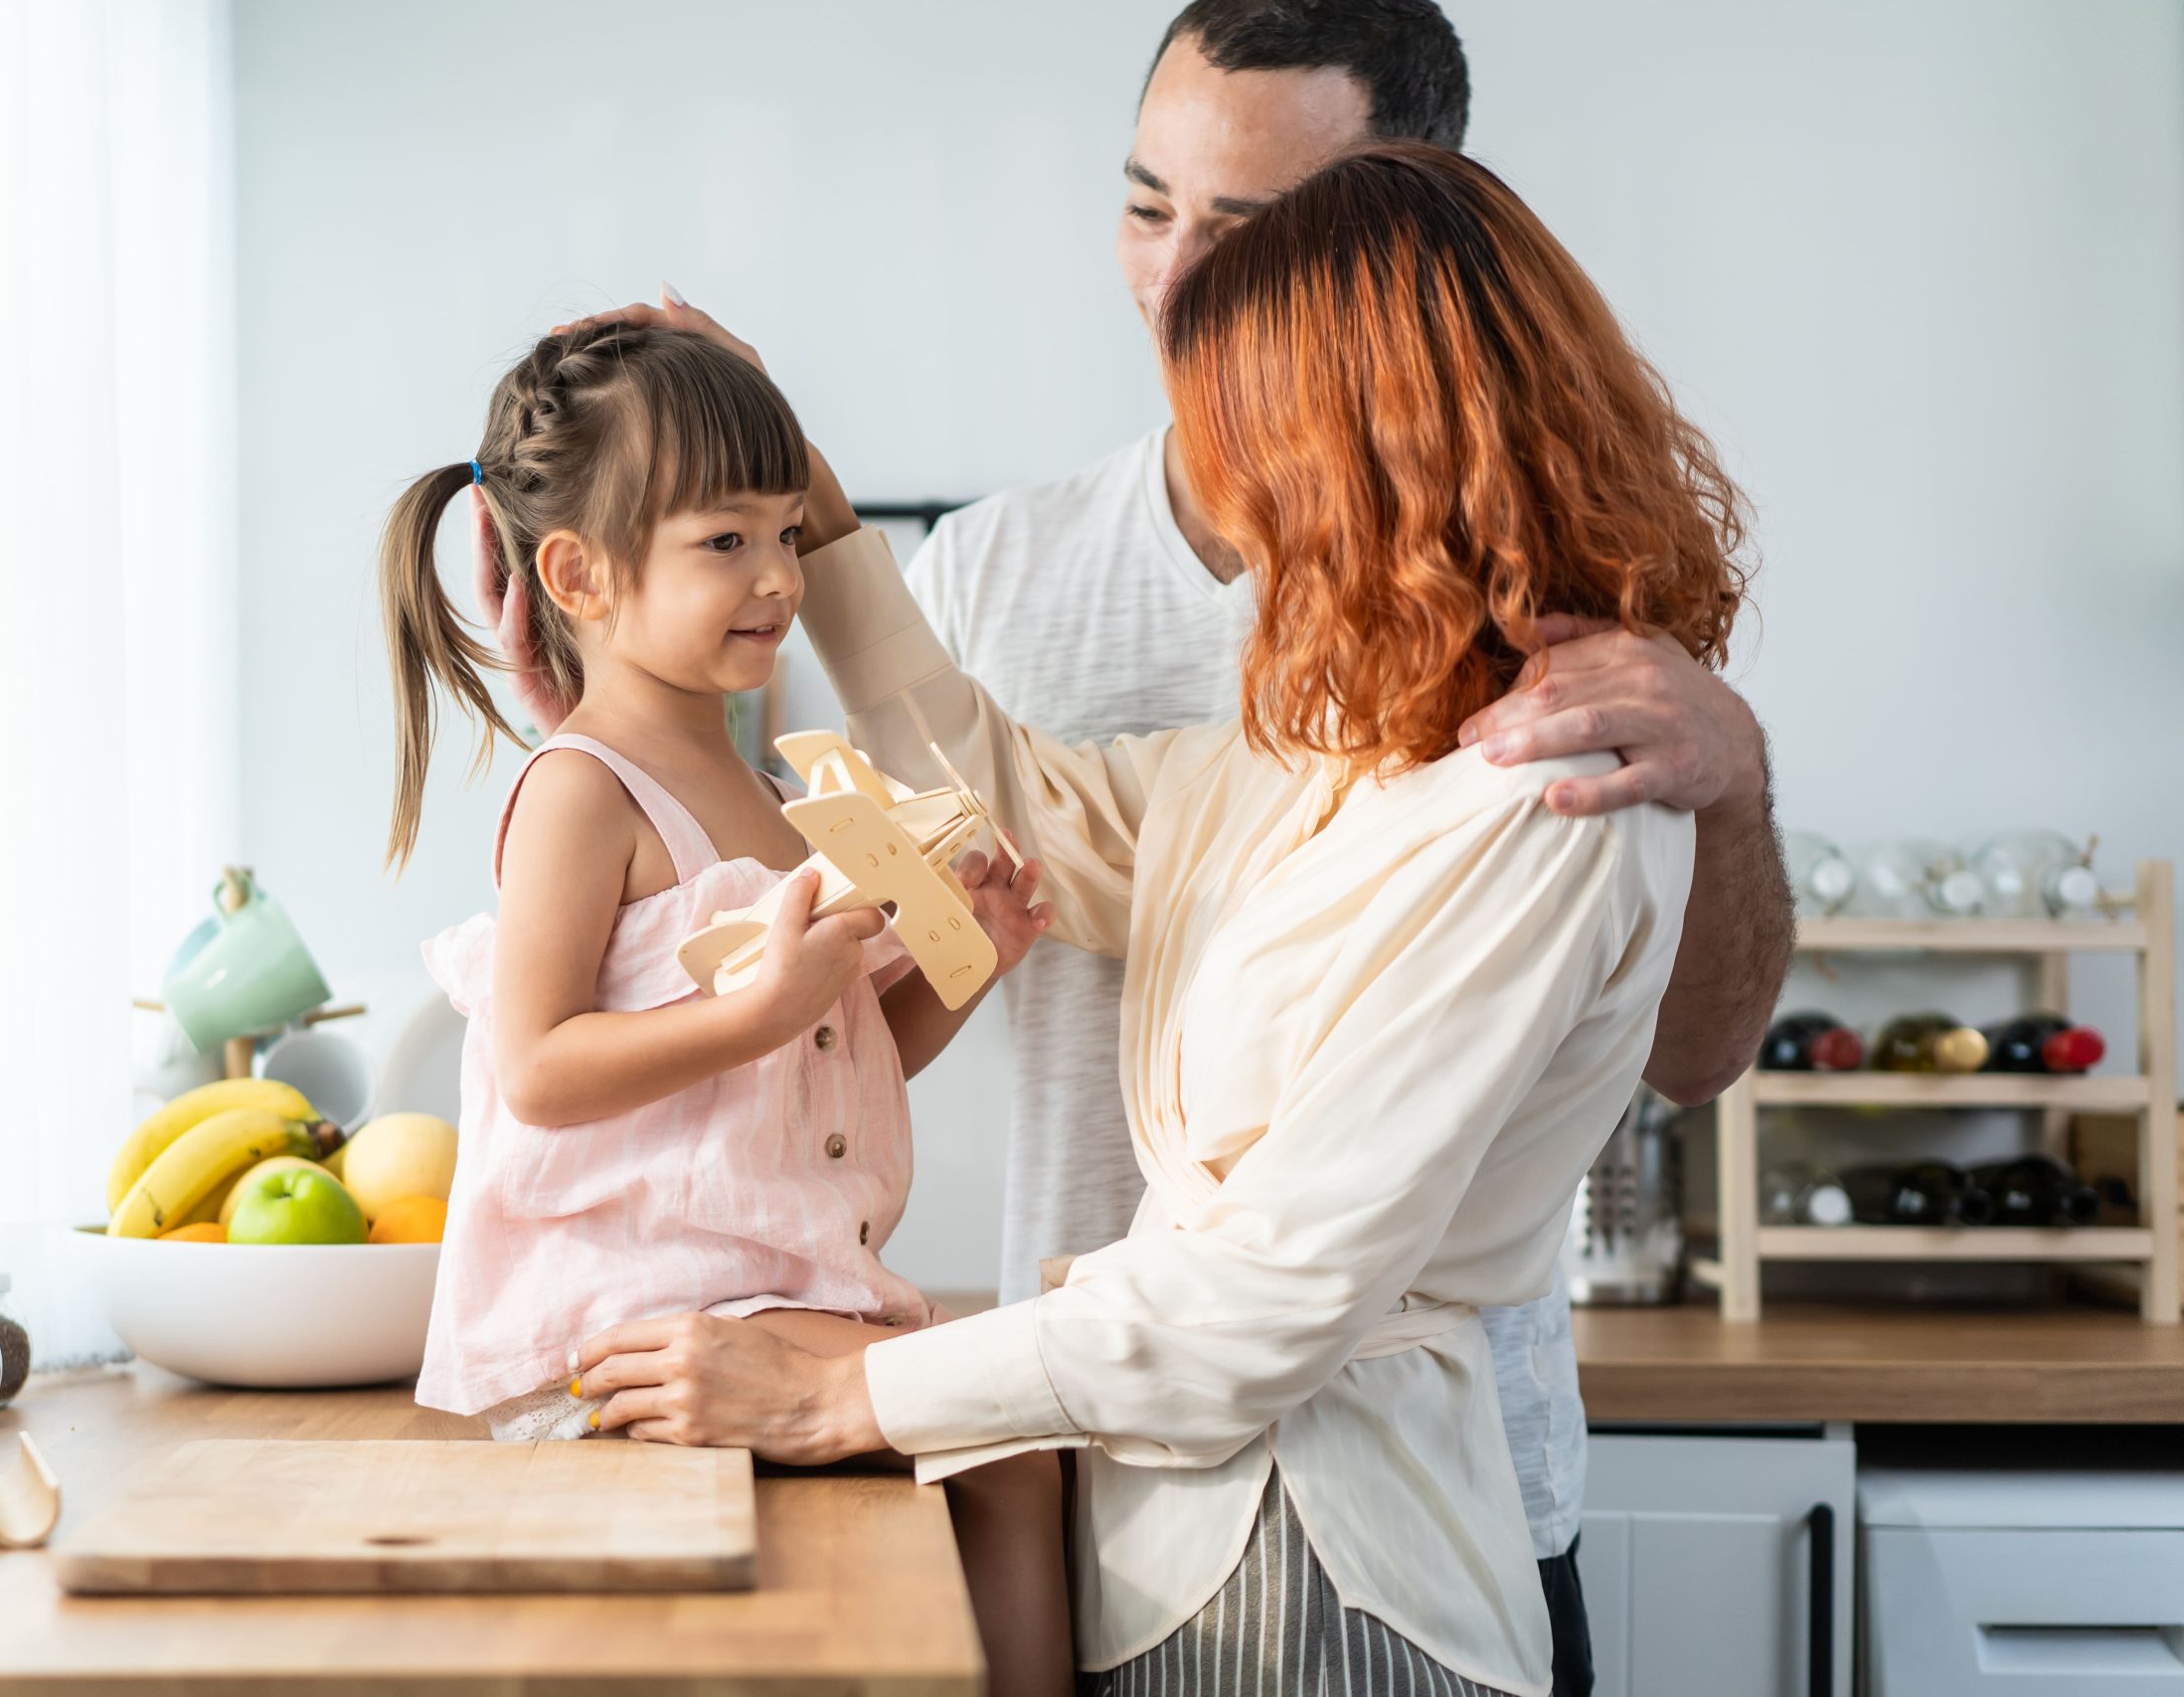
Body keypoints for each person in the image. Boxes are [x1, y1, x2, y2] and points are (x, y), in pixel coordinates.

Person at [574, 138, 1750, 1697]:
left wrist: (846, 1394)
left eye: (1242, 441)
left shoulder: (1553, 801)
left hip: (1342, 1578)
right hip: (1176, 1556)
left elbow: (1262, 1306)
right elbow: (1009, 795)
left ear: (1363, 458)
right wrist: (828, 529)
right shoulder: (1329, 747)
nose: (1223, 492)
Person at [900, 6, 1791, 1691]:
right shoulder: (1019, 586)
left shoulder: (1567, 725)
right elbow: (961, 831)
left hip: (1388, 1500)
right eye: (1147, 205)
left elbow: (1692, 1058)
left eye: (1247, 234)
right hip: (1083, 1465)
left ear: (1401, 241)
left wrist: (1732, 784)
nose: (1175, 279)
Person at [375, 323, 1072, 1695]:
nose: (776, 579)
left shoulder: (766, 795)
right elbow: (538, 1068)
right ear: (577, 574)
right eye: (725, 544)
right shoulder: (582, 792)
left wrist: (968, 958)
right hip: (623, 1318)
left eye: (785, 537)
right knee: (1009, 1440)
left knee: (1016, 1446)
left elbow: (840, 1055)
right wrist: (760, 1010)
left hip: (764, 1297)